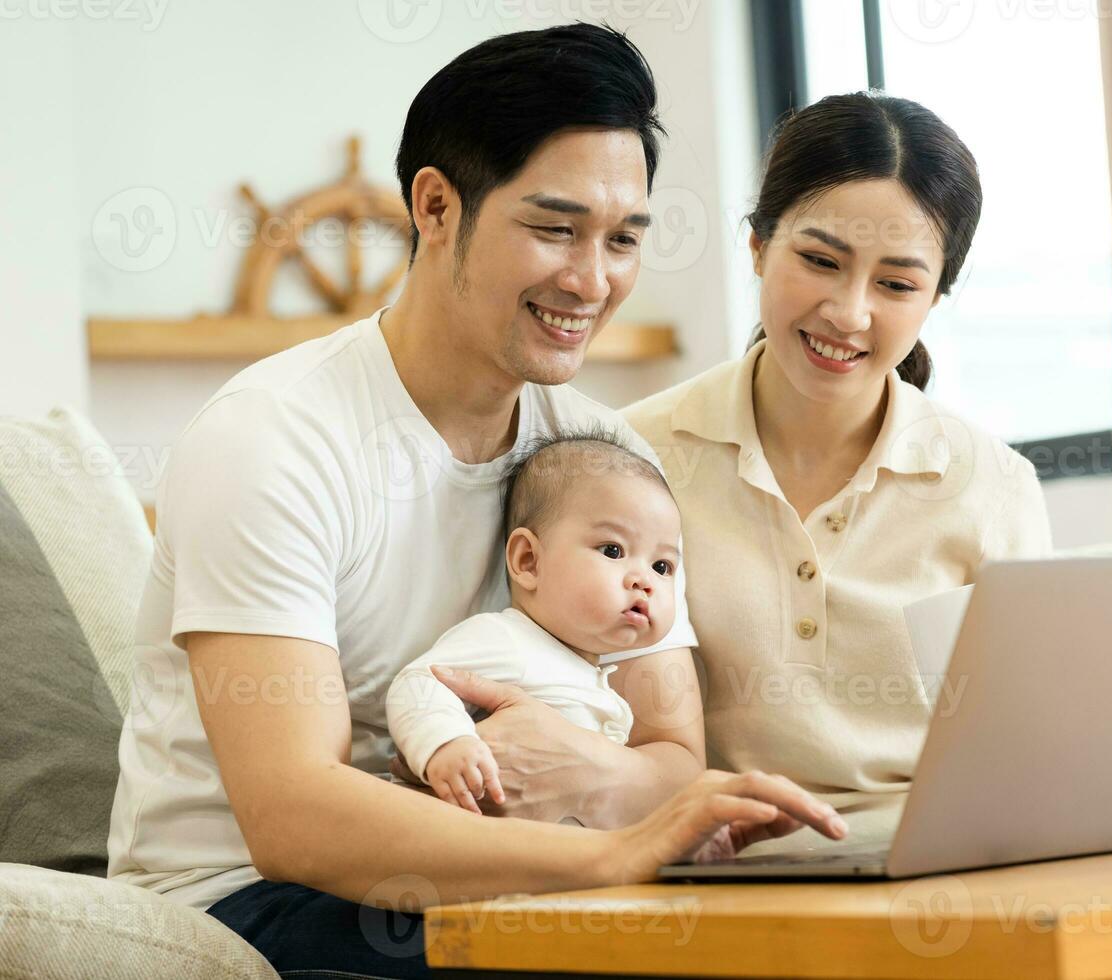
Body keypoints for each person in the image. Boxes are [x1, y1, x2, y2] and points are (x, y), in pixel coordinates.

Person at [107, 25, 844, 980]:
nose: (592, 280)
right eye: (553, 228)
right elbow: (293, 816)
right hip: (253, 898)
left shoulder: (599, 456)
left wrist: (608, 787)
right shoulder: (272, 437)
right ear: (436, 206)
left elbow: (671, 751)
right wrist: (612, 848)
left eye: (623, 239)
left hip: (510, 872)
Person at [624, 92, 1054, 841]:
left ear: (936, 296)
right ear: (758, 246)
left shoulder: (995, 487)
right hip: (709, 867)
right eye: (820, 261)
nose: (848, 313)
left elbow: (1026, 747)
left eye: (896, 283)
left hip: (929, 861)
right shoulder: (632, 456)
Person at [386, 431, 684, 814]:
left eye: (662, 566)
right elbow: (419, 682)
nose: (644, 580)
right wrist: (446, 744)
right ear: (529, 561)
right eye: (613, 550)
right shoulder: (507, 639)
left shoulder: (593, 675)